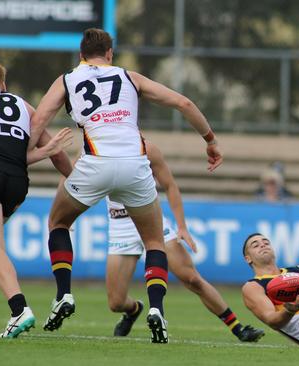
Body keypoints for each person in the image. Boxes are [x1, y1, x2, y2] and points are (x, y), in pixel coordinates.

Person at [29, 28, 222, 343]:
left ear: (81, 55)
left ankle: (64, 293)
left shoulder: (66, 80)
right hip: (135, 165)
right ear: (109, 54)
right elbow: (184, 103)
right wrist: (211, 141)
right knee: (154, 242)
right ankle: (156, 309)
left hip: (94, 163)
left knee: (58, 222)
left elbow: (38, 123)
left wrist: (24, 156)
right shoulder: (129, 77)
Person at [105, 139, 264, 342]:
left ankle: (238, 328)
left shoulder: (147, 148)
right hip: (121, 226)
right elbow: (72, 177)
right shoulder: (96, 146)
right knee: (116, 303)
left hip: (151, 220)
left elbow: (170, 185)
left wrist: (181, 227)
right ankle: (134, 310)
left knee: (192, 279)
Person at [0, 60, 73, 338]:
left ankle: (19, 310)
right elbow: (55, 153)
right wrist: (78, 191)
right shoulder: (23, 106)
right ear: (3, 84)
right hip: (17, 183)